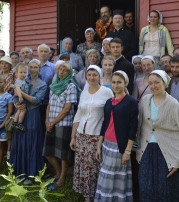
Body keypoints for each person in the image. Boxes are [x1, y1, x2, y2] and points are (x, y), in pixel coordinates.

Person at [137, 70, 179, 202]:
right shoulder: (144, 101)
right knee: (146, 188)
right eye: (150, 83)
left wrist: (178, 159)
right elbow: (140, 126)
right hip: (147, 150)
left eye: (157, 82)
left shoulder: (173, 104)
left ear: (165, 83)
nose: (153, 86)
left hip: (167, 152)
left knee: (165, 190)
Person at [70, 65, 113, 202]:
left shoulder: (107, 92)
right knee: (83, 166)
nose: (92, 77)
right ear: (86, 77)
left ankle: (96, 195)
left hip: (96, 136)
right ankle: (86, 195)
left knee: (94, 168)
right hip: (82, 135)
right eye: (89, 75)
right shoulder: (84, 92)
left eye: (95, 75)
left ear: (99, 76)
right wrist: (73, 137)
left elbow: (111, 114)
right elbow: (78, 115)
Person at [95, 71, 138, 202]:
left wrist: (127, 151)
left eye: (119, 82)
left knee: (116, 178)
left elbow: (133, 128)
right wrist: (98, 146)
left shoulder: (130, 102)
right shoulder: (109, 102)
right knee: (106, 176)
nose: (116, 85)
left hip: (120, 147)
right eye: (113, 82)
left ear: (125, 83)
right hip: (106, 145)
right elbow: (105, 124)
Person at [9, 59, 47, 184]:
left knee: (32, 142)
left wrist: (21, 93)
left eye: (35, 67)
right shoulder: (22, 79)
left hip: (33, 114)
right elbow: (13, 94)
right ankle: (19, 172)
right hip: (21, 113)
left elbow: (36, 100)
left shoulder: (42, 84)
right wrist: (16, 104)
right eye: (30, 67)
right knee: (20, 141)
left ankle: (32, 174)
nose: (32, 69)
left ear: (39, 69)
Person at [44, 62, 80, 190]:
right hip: (51, 123)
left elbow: (67, 108)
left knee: (63, 154)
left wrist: (53, 122)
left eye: (65, 70)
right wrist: (47, 121)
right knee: (48, 152)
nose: (62, 72)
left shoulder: (71, 86)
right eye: (60, 70)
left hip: (64, 124)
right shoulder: (53, 85)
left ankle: (63, 177)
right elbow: (48, 105)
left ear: (69, 73)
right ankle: (58, 172)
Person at [11, 63, 27, 131]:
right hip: (18, 97)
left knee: (19, 110)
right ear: (16, 74)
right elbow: (17, 89)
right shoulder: (19, 81)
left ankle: (15, 122)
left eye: (25, 72)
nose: (23, 74)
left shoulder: (21, 80)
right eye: (21, 72)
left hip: (17, 97)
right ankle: (19, 123)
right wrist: (20, 97)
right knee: (23, 110)